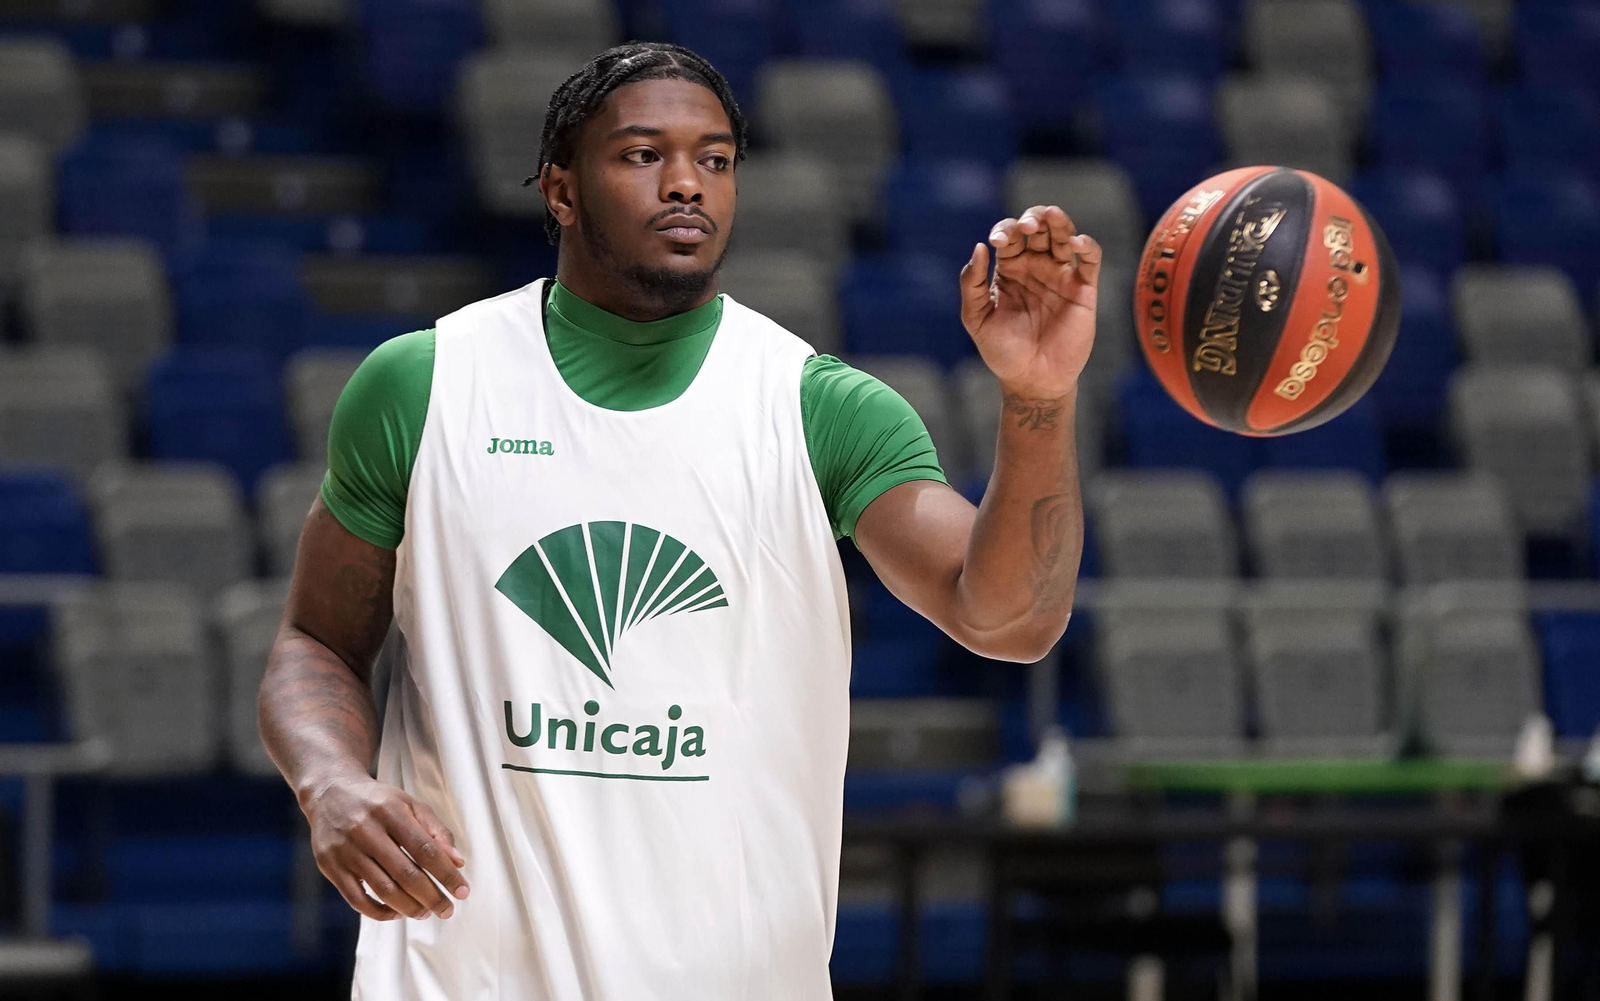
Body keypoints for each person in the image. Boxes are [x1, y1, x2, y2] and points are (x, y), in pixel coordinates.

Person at [258, 40, 1099, 1001]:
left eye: (715, 159)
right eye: (642, 154)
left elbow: (1010, 621)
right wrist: (329, 782)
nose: (687, 183)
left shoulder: (820, 408)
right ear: (560, 190)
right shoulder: (425, 383)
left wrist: (1040, 398)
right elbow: (315, 640)